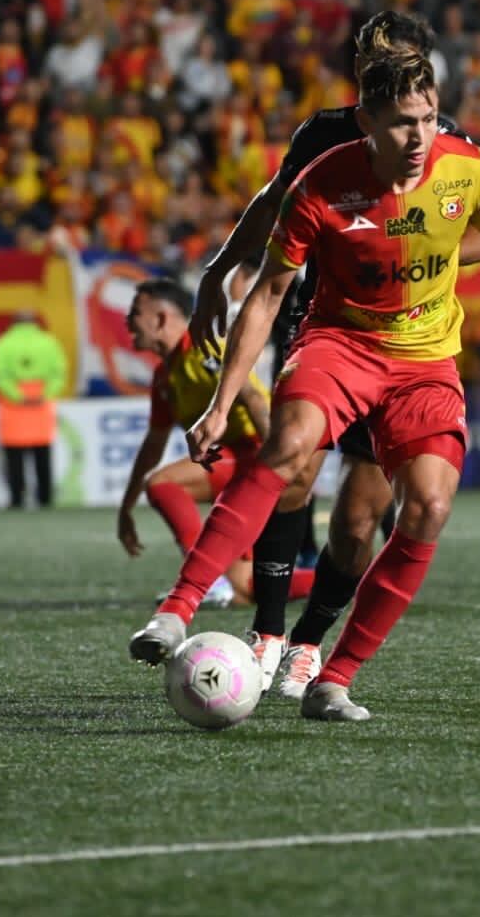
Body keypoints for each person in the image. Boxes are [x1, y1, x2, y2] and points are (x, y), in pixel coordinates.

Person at [130, 50, 480, 722]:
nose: (420, 138)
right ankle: (177, 611)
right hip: (340, 342)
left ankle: (332, 676)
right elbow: (267, 294)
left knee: (428, 508)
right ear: (367, 121)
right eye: (404, 123)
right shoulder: (322, 182)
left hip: (426, 360)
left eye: (430, 119)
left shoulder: (468, 169)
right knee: (289, 446)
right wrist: (223, 397)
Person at [185, 11, 480, 701]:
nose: (376, 71)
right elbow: (271, 205)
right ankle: (265, 633)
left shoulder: (449, 149)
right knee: (291, 473)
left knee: (359, 516)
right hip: (320, 323)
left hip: (404, 341)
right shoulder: (326, 134)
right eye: (368, 58)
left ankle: (309, 642)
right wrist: (219, 271)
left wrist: (416, 258)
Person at [115, 277, 316, 682]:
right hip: (229, 463)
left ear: (160, 318)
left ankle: (207, 584)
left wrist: (278, 463)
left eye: (134, 314)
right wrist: (125, 508)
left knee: (164, 484)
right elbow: (152, 445)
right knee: (247, 586)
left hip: (252, 456)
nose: (127, 322)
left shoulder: (205, 351)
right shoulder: (165, 376)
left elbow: (255, 398)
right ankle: (348, 576)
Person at [0, 310, 67, 509]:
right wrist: (45, 394)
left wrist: (17, 395)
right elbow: (59, 372)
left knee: (14, 455)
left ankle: (17, 497)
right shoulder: (49, 342)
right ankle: (45, 497)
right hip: (41, 403)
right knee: (42, 453)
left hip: (12, 406)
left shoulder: (2, 344)